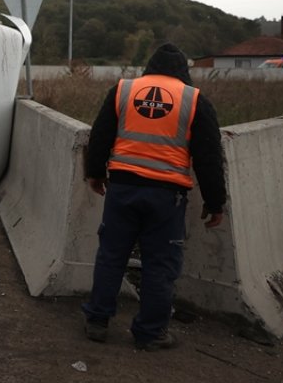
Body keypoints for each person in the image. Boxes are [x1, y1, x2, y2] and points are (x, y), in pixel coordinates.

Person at [81, 43, 226, 351]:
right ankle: (150, 333)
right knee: (159, 265)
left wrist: (95, 173)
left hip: (121, 189)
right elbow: (209, 158)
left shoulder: (123, 90)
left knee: (111, 256)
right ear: (182, 72)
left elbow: (100, 136)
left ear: (149, 68)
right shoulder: (194, 99)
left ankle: (97, 322)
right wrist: (215, 203)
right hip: (166, 196)